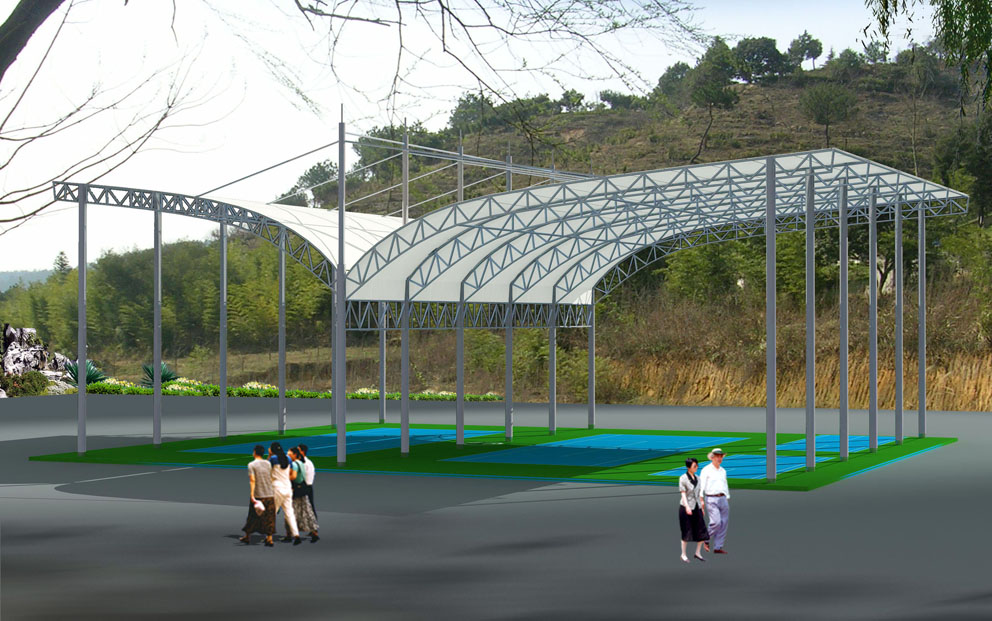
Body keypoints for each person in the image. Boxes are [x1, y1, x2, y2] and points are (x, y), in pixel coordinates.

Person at [240, 445, 276, 547]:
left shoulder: (251, 464)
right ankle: (269, 538)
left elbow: (252, 480)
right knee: (269, 516)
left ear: (254, 452)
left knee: (252, 516)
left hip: (258, 494)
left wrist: (252, 494)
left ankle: (247, 536)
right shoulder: (268, 463)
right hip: (269, 493)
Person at [698, 448, 730, 555]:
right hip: (711, 498)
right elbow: (701, 485)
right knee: (716, 522)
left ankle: (718, 547)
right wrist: (701, 498)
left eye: (721, 456)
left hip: (723, 498)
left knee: (723, 523)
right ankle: (706, 538)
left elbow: (725, 484)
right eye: (717, 456)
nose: (719, 458)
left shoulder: (723, 471)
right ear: (712, 457)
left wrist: (727, 496)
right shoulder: (706, 470)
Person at [269, 441, 301, 545]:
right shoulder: (288, 459)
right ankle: (296, 535)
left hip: (277, 488)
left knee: (272, 513)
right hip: (287, 487)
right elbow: (290, 472)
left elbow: (268, 471)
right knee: (289, 513)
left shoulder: (273, 459)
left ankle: (269, 536)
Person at [678, 457, 709, 563]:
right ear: (688, 467)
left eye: (697, 465)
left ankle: (697, 553)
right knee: (686, 531)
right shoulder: (683, 478)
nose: (696, 467)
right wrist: (687, 507)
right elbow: (683, 494)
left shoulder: (698, 478)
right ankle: (683, 554)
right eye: (694, 466)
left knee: (702, 531)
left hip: (697, 507)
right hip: (686, 507)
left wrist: (702, 506)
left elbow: (699, 494)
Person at [288, 447, 319, 543]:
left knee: (294, 510)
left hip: (300, 488)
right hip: (306, 487)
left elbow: (295, 476)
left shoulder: (297, 464)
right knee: (308, 509)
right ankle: (313, 531)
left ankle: (291, 534)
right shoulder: (305, 462)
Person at [298, 444, 316, 519]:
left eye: (298, 450)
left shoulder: (304, 463)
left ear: (302, 452)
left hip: (304, 487)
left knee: (306, 507)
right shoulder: (309, 462)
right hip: (309, 486)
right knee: (309, 506)